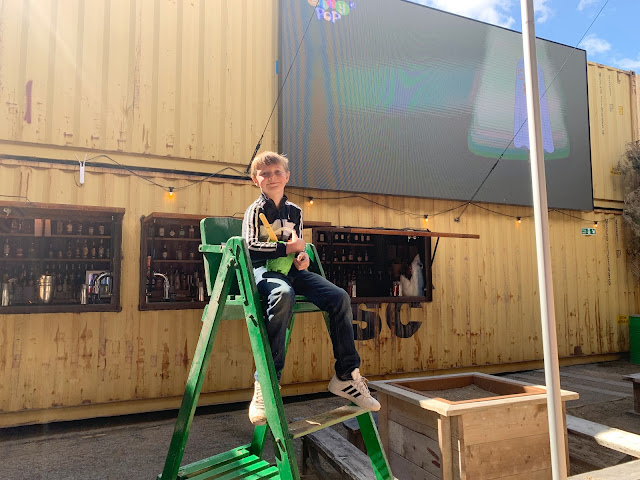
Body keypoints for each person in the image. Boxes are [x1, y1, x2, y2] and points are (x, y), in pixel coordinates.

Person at [242, 151, 380, 425]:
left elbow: (298, 246)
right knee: (283, 294)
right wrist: (288, 248)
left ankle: (346, 376)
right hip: (265, 271)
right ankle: (267, 381)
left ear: (287, 176)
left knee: (339, 297)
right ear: (256, 180)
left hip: (293, 271)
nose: (272, 177)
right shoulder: (255, 211)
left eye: (277, 172)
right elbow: (250, 248)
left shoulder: (295, 211)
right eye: (265, 174)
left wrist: (301, 256)